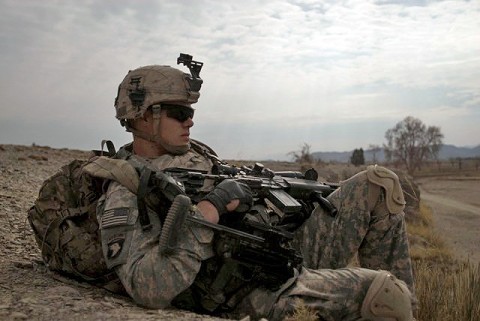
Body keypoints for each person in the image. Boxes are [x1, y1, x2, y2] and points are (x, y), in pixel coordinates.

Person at [95, 56, 416, 321]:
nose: (189, 122)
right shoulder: (128, 187)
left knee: (380, 184)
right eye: (179, 113)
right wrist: (208, 212)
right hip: (247, 289)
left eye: (190, 113)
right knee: (385, 295)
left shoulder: (196, 156)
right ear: (144, 118)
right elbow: (149, 288)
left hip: (275, 252)